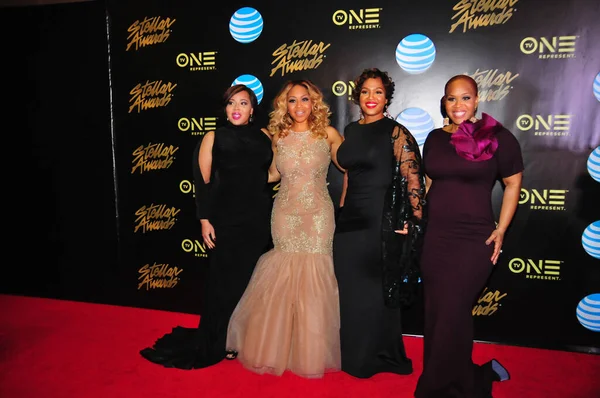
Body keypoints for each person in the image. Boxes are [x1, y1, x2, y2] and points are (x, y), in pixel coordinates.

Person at [139, 84, 275, 369]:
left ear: (253, 110)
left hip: (259, 219)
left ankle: (244, 339)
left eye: (243, 103)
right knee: (224, 284)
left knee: (252, 283)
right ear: (225, 109)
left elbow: (272, 174)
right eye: (231, 103)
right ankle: (220, 339)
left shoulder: (265, 136)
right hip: (226, 220)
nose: (236, 108)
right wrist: (204, 220)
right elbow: (202, 183)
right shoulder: (214, 137)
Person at [226, 79, 344, 378]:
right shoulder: (278, 137)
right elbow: (273, 175)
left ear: (313, 102)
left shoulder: (328, 134)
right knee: (282, 272)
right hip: (285, 213)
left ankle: (311, 351)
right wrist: (237, 173)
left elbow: (352, 168)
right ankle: (276, 347)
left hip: (318, 213)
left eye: (304, 99)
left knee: (315, 277)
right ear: (284, 106)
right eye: (292, 100)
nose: (299, 106)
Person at [414, 74, 523, 398]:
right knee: (439, 311)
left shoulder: (498, 137)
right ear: (443, 102)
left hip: (475, 240)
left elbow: (513, 183)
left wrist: (501, 229)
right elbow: (429, 184)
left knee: (452, 308)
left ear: (476, 100)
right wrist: (415, 221)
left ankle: (440, 387)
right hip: (436, 237)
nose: (458, 104)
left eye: (465, 97)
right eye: (451, 98)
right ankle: (463, 377)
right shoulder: (434, 138)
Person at [333, 67, 426, 378]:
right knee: (350, 290)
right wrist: (342, 211)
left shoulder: (396, 132)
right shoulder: (351, 129)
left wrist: (411, 220)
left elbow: (413, 178)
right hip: (349, 222)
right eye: (365, 92)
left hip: (379, 220)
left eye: (378, 92)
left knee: (375, 290)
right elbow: (349, 175)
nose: (371, 97)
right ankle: (352, 353)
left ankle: (376, 355)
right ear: (357, 97)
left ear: (387, 97)